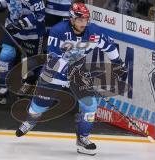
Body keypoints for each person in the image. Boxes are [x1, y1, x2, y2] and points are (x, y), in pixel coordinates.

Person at [15, 2, 127, 155]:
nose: (83, 23)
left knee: (90, 107)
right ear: (72, 20)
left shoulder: (94, 32)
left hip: (77, 71)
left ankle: (83, 139)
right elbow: (54, 58)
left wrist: (118, 63)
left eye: (86, 20)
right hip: (54, 72)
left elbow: (110, 47)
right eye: (80, 20)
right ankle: (30, 121)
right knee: (39, 107)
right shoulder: (58, 31)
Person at [0, 0, 46, 104]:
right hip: (12, 31)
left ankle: (29, 84)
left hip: (33, 34)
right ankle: (3, 87)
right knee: (6, 54)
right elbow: (3, 3)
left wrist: (20, 24)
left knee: (30, 64)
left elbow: (40, 15)